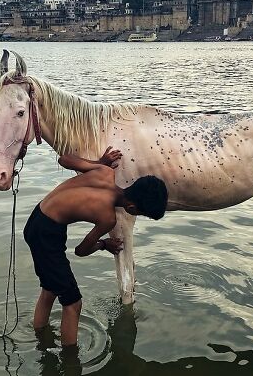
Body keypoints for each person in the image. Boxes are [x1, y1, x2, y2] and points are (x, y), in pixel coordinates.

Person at [23, 147, 168, 347]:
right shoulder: (107, 217)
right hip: (46, 235)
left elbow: (64, 160)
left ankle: (40, 338)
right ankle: (70, 361)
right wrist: (104, 244)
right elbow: (80, 251)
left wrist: (99, 161)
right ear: (132, 209)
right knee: (73, 303)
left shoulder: (104, 171)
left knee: (50, 288)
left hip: (37, 218)